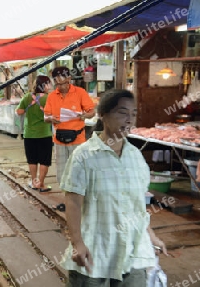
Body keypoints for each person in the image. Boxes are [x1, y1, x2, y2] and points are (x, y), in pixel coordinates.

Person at [60, 89, 168, 286]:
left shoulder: (135, 156)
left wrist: (150, 235)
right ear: (103, 115)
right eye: (122, 112)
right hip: (94, 248)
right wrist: (77, 243)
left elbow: (138, 204)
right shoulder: (84, 155)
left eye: (133, 114)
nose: (129, 119)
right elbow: (73, 201)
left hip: (133, 248)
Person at [43, 66, 95, 183]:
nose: (62, 87)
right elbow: (45, 117)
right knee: (62, 173)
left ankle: (78, 199)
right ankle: (66, 198)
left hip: (78, 138)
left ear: (69, 78)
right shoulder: (51, 96)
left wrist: (84, 116)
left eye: (65, 83)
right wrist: (50, 118)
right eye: (58, 84)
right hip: (59, 139)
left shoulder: (80, 92)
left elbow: (92, 112)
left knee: (79, 171)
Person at [16, 75, 53, 192]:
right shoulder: (49, 98)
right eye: (49, 84)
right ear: (45, 85)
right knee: (44, 160)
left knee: (32, 159)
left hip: (29, 134)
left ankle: (34, 182)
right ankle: (41, 184)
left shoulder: (27, 97)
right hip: (44, 133)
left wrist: (28, 106)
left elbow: (19, 112)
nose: (50, 86)